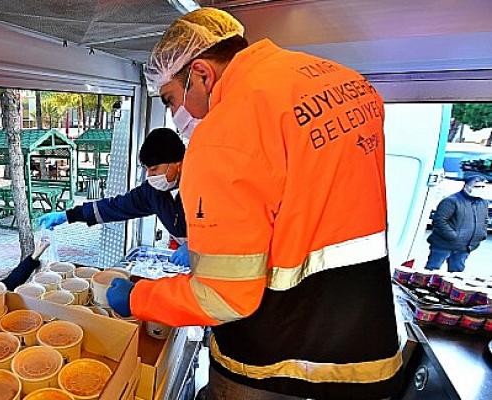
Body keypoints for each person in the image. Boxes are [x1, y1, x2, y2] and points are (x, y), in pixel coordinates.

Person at [106, 8, 401, 399]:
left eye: (171, 99)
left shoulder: (224, 132)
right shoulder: (345, 82)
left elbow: (224, 296)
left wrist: (138, 297)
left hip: (275, 358)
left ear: (202, 74)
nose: (178, 117)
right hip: (363, 343)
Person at [37, 128, 189, 266]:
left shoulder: (202, 187)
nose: (150, 176)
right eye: (147, 170)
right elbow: (115, 206)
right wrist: (68, 215)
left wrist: (195, 248)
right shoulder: (153, 192)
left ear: (177, 162)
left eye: (154, 169)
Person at [426, 175, 489, 273]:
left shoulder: (483, 203)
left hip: (465, 247)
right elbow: (439, 221)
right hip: (444, 245)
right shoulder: (451, 201)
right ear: (466, 186)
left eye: (482, 187)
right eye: (477, 187)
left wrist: (481, 235)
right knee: (432, 272)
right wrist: (453, 236)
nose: (480, 189)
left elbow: (484, 220)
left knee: (456, 275)